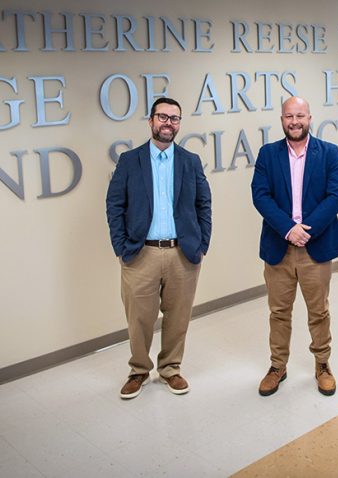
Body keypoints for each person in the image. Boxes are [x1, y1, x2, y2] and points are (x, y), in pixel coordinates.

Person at [106, 97, 212, 399]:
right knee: (139, 318)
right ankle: (138, 370)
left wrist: (202, 243)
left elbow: (204, 203)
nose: (169, 123)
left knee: (178, 317)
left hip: (183, 254)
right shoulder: (130, 161)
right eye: (163, 117)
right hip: (141, 254)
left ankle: (170, 369)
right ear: (151, 121)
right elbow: (115, 205)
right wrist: (120, 246)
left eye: (175, 118)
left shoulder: (190, 161)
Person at [251, 96, 338, 397]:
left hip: (315, 247)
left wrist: (307, 231)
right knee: (279, 312)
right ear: (281, 120)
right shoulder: (268, 154)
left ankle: (322, 364)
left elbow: (336, 195)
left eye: (300, 115)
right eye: (289, 116)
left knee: (318, 311)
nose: (295, 121)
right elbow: (260, 195)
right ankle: (278, 366)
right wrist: (288, 229)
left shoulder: (328, 153)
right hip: (279, 247)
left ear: (310, 118)